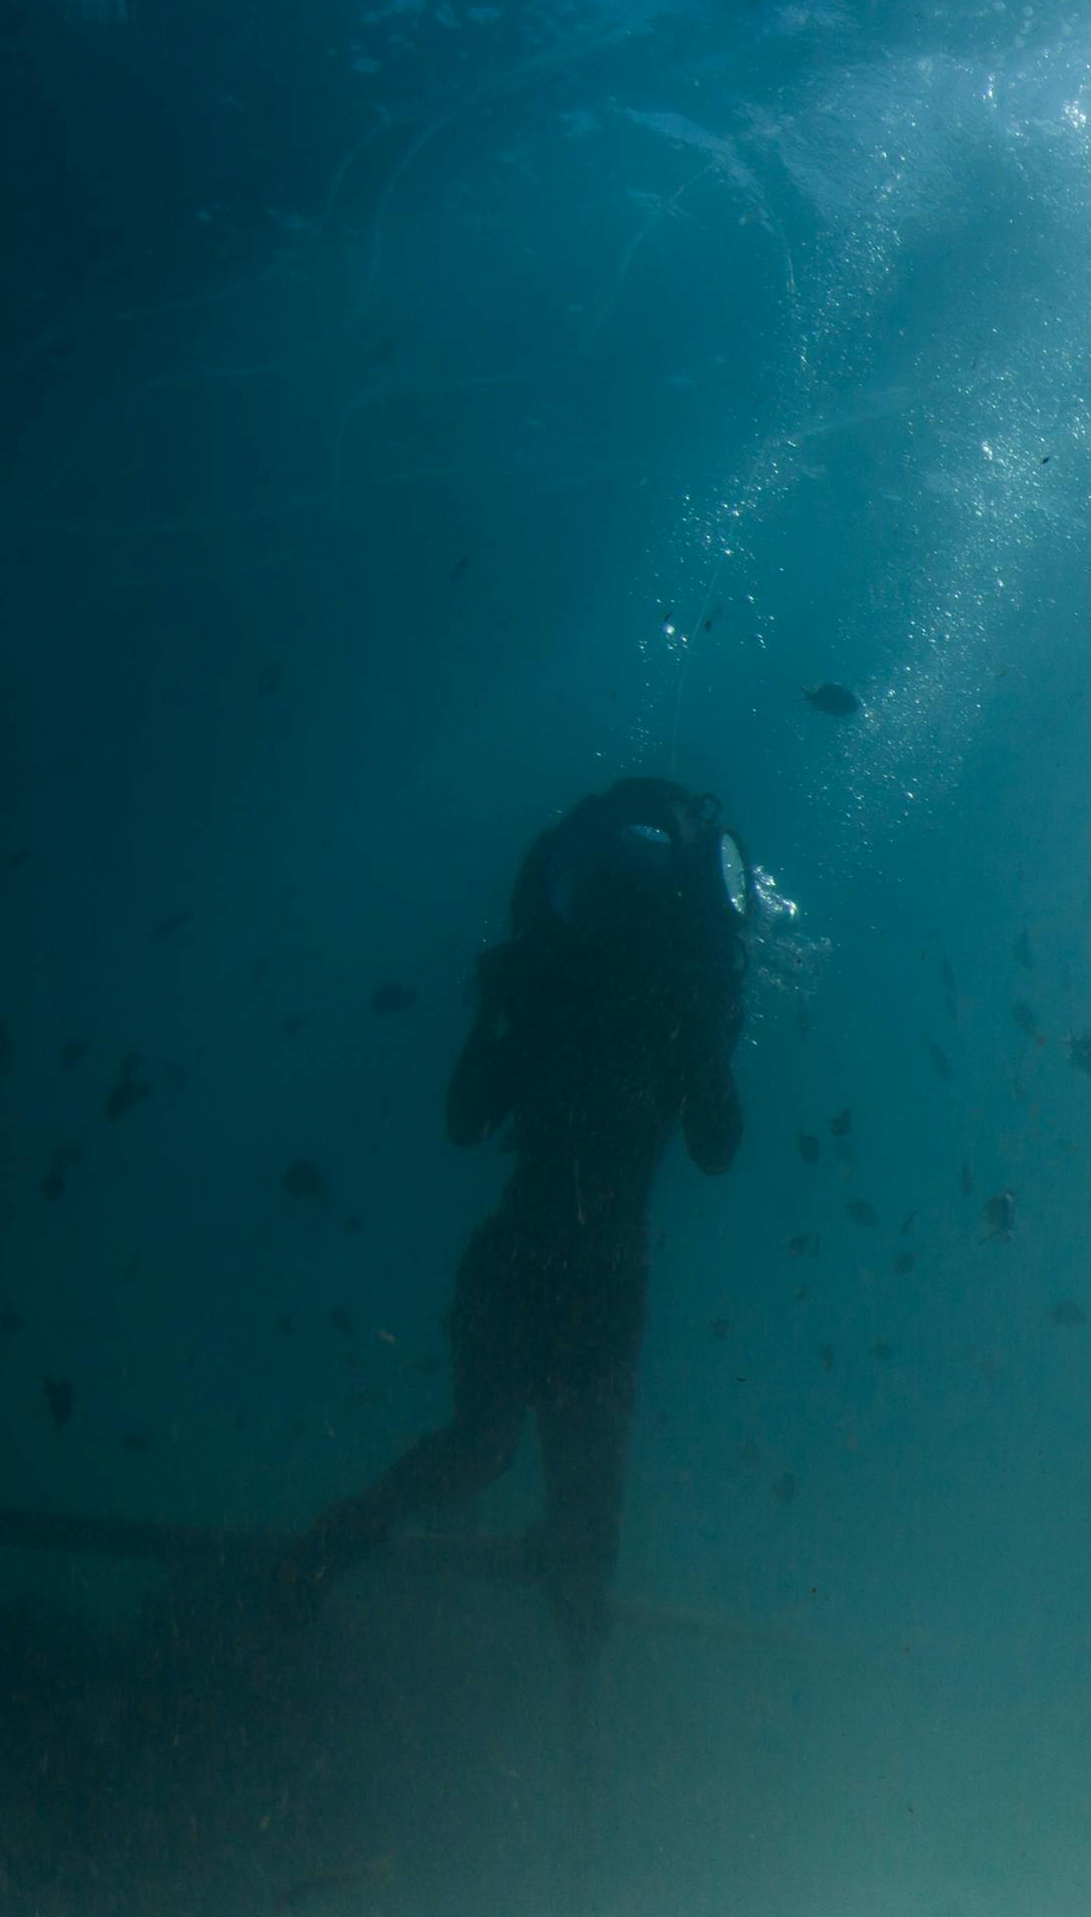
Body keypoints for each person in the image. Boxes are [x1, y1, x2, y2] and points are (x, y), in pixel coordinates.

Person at [277, 777, 764, 1833]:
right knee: (539, 1485)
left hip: (537, 1261)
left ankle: (345, 1543)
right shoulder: (644, 991)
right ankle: (560, 1796)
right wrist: (695, 1035)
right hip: (583, 1271)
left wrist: (516, 1012)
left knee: (493, 1453)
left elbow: (463, 1121)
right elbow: (716, 1151)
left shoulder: (565, 979)